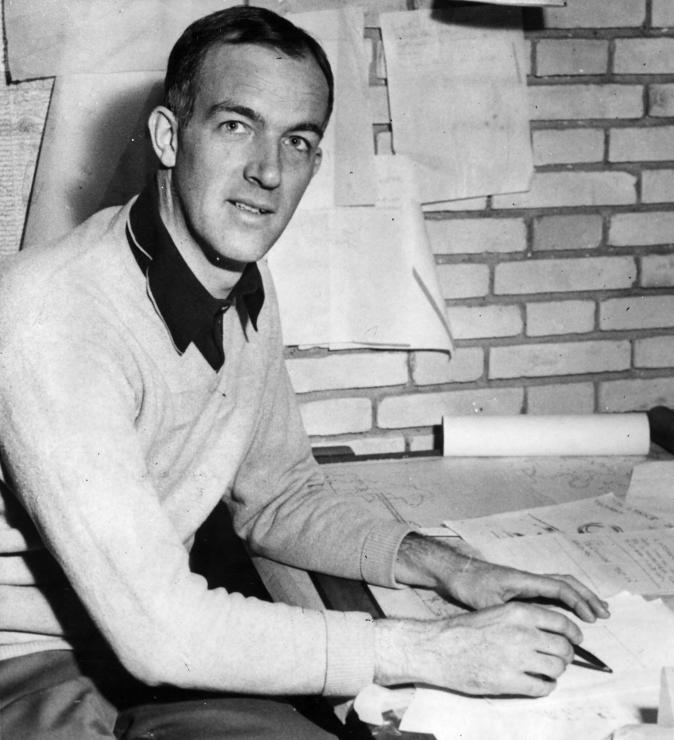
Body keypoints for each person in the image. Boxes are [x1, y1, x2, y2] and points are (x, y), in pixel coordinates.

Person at [0, 6, 608, 739]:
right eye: (235, 125)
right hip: (28, 661)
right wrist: (423, 649)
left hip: (140, 642)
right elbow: (160, 632)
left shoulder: (239, 284)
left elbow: (277, 498)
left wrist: (444, 567)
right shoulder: (49, 316)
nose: (267, 170)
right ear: (168, 136)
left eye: (297, 140)